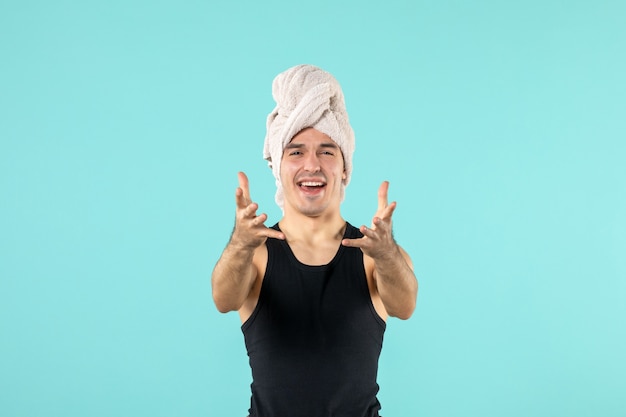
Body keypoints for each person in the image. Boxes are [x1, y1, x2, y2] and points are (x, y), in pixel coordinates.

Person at [211, 64, 418, 417]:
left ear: (343, 167)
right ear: (278, 166)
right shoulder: (256, 253)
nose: (312, 164)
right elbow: (224, 298)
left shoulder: (373, 254)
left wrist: (385, 255)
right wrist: (240, 245)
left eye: (326, 150)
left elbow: (404, 305)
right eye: (295, 151)